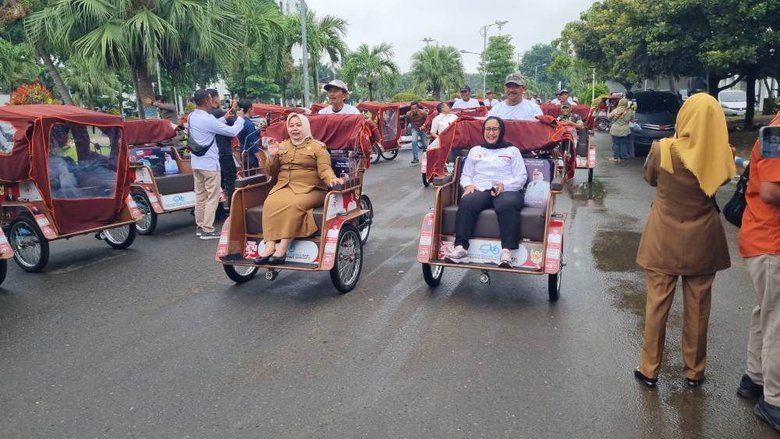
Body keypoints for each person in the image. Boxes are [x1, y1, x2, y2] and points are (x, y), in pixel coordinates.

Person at [633, 93, 736, 389]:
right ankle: (694, 371)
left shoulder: (662, 149)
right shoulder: (722, 154)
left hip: (662, 237)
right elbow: (720, 181)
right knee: (699, 307)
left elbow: (650, 179)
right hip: (703, 240)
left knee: (656, 305)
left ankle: (649, 369)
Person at [737, 113, 780, 431]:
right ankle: (775, 400)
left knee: (767, 311)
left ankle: (755, 378)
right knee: (777, 318)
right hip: (772, 241)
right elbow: (771, 191)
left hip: (765, 239)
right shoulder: (778, 132)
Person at [254, 114, 344, 264]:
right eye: (291, 125)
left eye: (298, 125)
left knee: (294, 204)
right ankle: (269, 246)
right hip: (284, 187)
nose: (294, 128)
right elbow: (271, 172)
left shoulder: (318, 147)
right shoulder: (282, 146)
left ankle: (282, 248)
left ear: (305, 127)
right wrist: (272, 156)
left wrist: (332, 179)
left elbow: (325, 170)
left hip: (312, 189)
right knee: (270, 202)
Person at [444, 116, 527, 267]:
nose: (491, 133)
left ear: (501, 131)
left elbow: (521, 177)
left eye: (495, 129)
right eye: (488, 129)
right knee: (467, 201)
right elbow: (466, 175)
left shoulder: (512, 150)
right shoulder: (475, 150)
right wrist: (468, 185)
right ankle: (461, 248)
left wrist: (504, 185)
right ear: (483, 131)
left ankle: (506, 252)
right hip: (481, 188)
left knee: (507, 204)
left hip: (506, 189)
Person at [188, 89, 245, 239]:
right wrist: (240, 119)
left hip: (196, 163)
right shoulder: (207, 119)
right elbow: (232, 132)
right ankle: (208, 229)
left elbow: (209, 127)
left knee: (200, 196)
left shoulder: (192, 116)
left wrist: (224, 118)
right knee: (212, 197)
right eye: (210, 99)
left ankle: (200, 226)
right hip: (209, 164)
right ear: (207, 101)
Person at [207, 89, 238, 209]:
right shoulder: (218, 112)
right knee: (231, 181)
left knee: (217, 183)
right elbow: (233, 123)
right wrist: (233, 109)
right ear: (214, 99)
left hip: (212, 153)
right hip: (224, 151)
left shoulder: (206, 114)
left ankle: (218, 210)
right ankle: (232, 209)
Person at [236, 99, 262, 172]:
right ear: (249, 109)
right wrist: (260, 159)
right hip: (251, 157)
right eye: (252, 108)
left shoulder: (239, 122)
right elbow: (253, 144)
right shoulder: (249, 124)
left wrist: (257, 130)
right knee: (253, 177)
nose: (253, 110)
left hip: (243, 154)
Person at [608, 98, 633, 162]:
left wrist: (608, 111)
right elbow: (632, 119)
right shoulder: (630, 111)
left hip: (615, 129)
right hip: (625, 130)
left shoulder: (616, 110)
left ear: (620, 103)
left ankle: (616, 158)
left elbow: (608, 117)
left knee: (616, 144)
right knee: (623, 144)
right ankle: (622, 158)